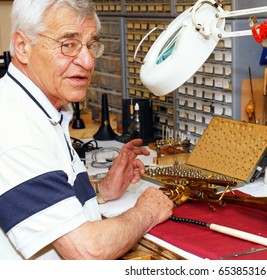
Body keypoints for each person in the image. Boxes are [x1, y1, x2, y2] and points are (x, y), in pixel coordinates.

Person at [0, 0, 173, 260]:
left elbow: (49, 197)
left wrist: (102, 190)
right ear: (23, 47)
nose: (87, 61)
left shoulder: (38, 109)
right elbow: (87, 251)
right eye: (68, 44)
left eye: (91, 45)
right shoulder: (15, 128)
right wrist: (147, 211)